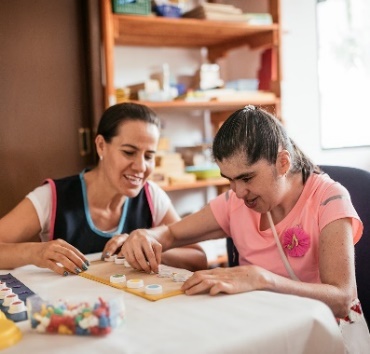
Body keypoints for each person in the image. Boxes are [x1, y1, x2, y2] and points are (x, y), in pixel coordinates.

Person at [119, 105, 370, 353]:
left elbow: (343, 299)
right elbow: (172, 234)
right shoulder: (234, 203)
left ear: (283, 163)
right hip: (256, 331)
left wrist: (263, 280)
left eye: (247, 178)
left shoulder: (329, 199)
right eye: (230, 179)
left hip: (312, 338)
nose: (238, 192)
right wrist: (146, 235)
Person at [0, 102, 207, 275]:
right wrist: (34, 253)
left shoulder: (152, 196)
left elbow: (198, 259)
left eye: (149, 156)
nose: (141, 167)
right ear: (101, 146)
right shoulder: (52, 197)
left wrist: (146, 249)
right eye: (128, 152)